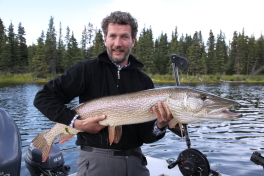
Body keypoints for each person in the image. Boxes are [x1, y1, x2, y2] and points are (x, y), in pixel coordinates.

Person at [34, 11, 173, 176]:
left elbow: (146, 136)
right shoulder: (87, 70)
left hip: (136, 162)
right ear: (105, 39)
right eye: (112, 36)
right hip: (96, 162)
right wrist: (76, 123)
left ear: (133, 41)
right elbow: (43, 98)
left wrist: (161, 125)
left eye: (124, 37)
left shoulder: (144, 81)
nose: (118, 43)